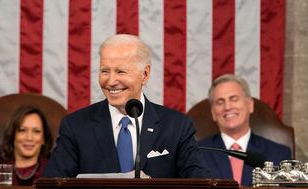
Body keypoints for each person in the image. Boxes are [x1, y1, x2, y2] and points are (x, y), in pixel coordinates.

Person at [43, 34, 210, 178]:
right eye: (105, 71)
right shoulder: (75, 126)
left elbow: (201, 185)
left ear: (144, 75)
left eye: (121, 71)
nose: (111, 81)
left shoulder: (177, 126)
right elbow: (52, 188)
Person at [198, 74, 291, 186]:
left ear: (250, 105)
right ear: (213, 113)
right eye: (220, 102)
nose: (227, 107)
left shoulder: (278, 154)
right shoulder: (196, 154)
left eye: (234, 99)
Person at [0, 106, 53, 186]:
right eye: (22, 130)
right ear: (13, 135)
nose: (29, 138)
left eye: (36, 131)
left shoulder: (56, 174)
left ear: (44, 139)